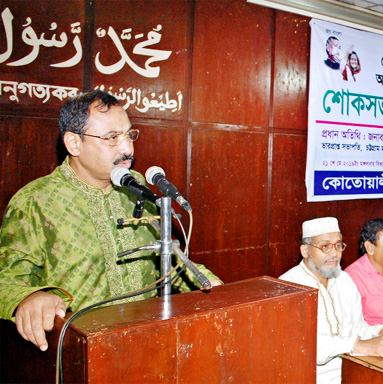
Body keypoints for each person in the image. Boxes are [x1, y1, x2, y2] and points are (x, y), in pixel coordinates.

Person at [0, 90, 221, 352]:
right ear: (74, 143)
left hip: (150, 344)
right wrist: (29, 297)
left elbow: (170, 262)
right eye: (112, 138)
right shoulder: (35, 201)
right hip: (78, 354)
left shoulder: (137, 188)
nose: (127, 148)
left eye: (129, 135)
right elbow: (8, 279)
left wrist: (213, 289)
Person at [279, 217, 383, 384]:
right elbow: (302, 344)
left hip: (353, 370)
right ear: (305, 251)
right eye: (325, 246)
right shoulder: (287, 288)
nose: (334, 253)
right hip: (310, 377)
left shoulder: (344, 280)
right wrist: (360, 345)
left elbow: (357, 327)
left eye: (338, 245)